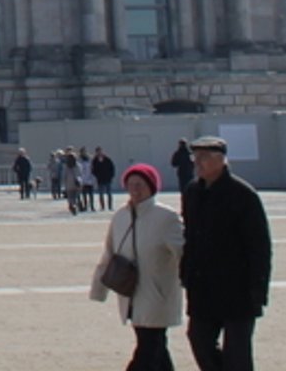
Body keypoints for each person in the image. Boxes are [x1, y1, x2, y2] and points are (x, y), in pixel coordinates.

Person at [180, 135, 272, 371]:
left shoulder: (243, 195)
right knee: (199, 340)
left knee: (237, 355)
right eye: (195, 157)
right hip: (203, 287)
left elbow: (259, 247)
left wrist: (258, 289)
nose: (197, 163)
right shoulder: (192, 193)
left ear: (221, 160)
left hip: (238, 289)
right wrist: (186, 274)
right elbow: (189, 237)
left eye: (204, 158)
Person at [91, 163, 184, 371]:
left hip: (157, 294)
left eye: (140, 184)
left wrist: (195, 281)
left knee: (148, 348)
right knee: (156, 348)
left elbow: (184, 253)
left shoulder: (167, 217)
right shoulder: (120, 217)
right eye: (131, 184)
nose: (135, 189)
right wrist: (99, 289)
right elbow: (109, 252)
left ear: (152, 187)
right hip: (130, 292)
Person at [92, 147, 118, 212]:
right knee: (101, 194)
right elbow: (93, 170)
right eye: (97, 151)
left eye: (100, 151)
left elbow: (112, 167)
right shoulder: (95, 160)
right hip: (100, 180)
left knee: (109, 193)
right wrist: (97, 176)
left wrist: (111, 176)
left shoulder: (107, 159)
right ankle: (102, 207)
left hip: (107, 179)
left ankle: (110, 206)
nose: (99, 153)